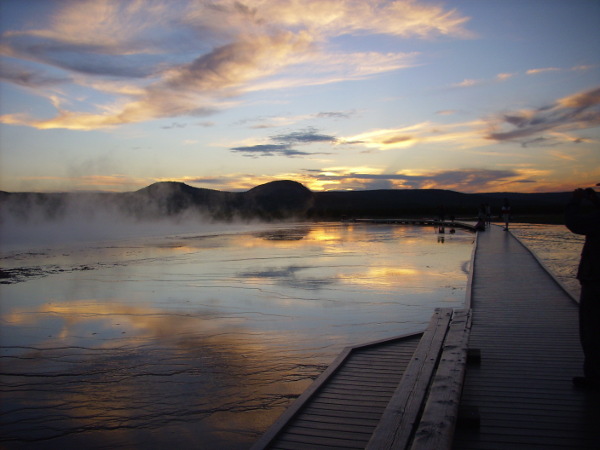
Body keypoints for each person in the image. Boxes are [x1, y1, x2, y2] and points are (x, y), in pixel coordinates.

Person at [565, 185, 600, 389]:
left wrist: (574, 201)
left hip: (595, 279)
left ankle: (594, 377)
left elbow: (576, 223)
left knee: (592, 330)